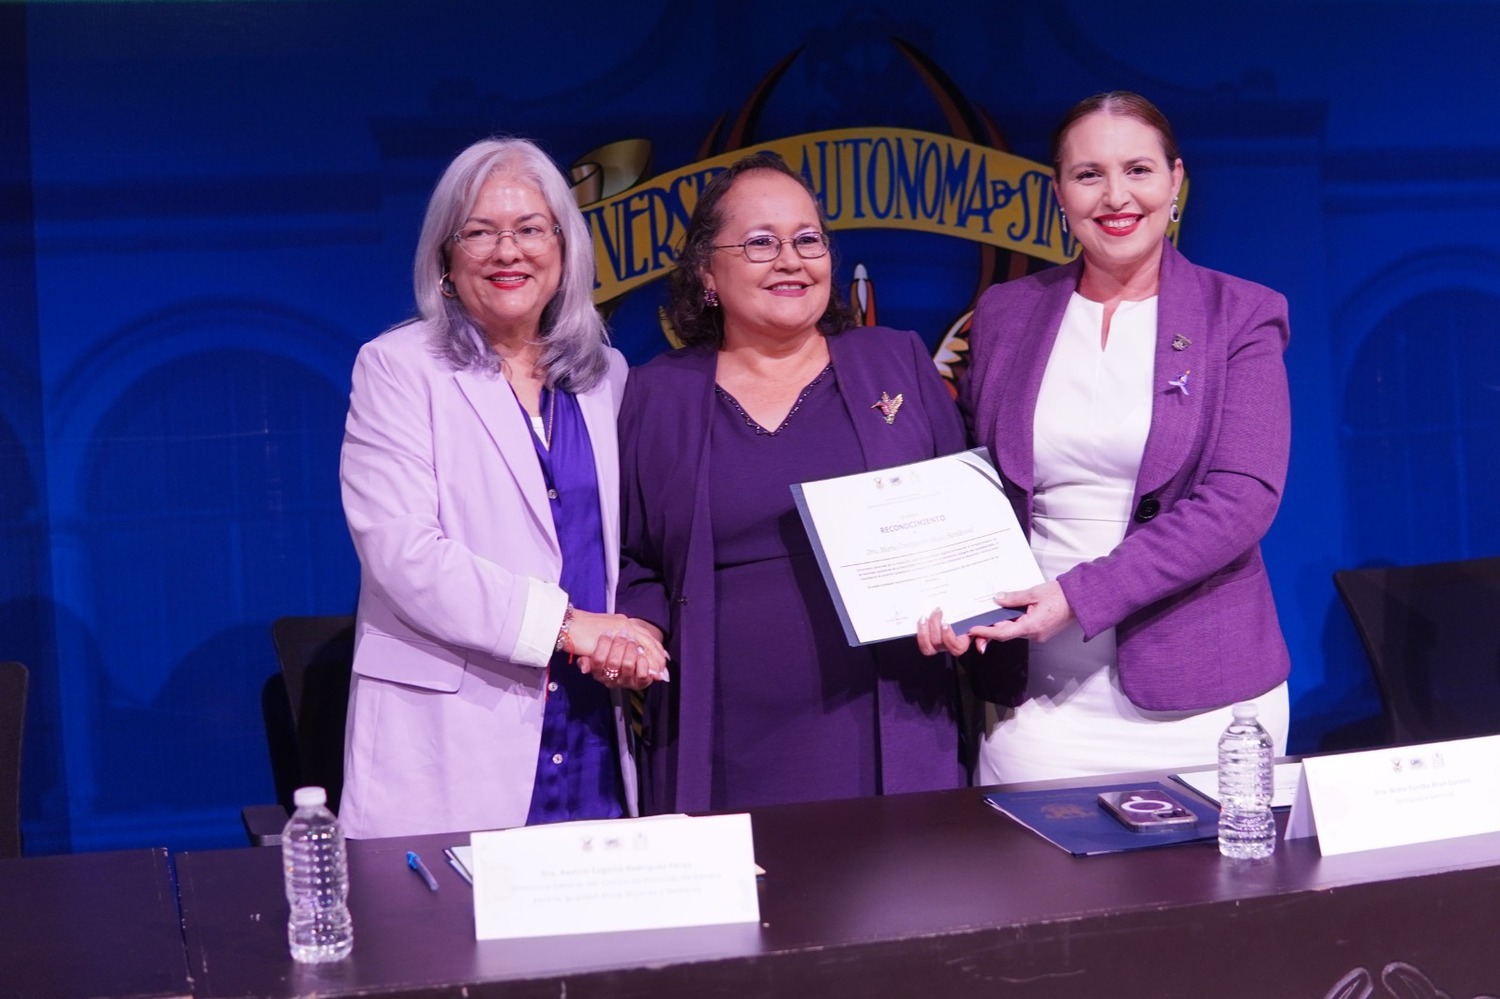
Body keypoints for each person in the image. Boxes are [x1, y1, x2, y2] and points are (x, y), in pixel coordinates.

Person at [917, 92, 1292, 784]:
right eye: (1088, 174)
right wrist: (940, 587)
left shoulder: (1241, 314)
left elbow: (1240, 501)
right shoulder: (1005, 312)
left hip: (1204, 706)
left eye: (1138, 170)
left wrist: (1076, 597)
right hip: (1036, 707)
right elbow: (974, 481)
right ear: (1058, 192)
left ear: (1175, 182)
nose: (1116, 196)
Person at [617, 152, 968, 814]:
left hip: (888, 726)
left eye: (808, 240)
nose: (791, 260)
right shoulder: (656, 394)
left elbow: (965, 525)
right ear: (706, 274)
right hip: (716, 739)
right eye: (760, 243)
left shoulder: (896, 361)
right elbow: (633, 559)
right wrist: (639, 628)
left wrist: (966, 606)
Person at [338, 137, 667, 839]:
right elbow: (403, 553)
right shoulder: (396, 369)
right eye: (480, 232)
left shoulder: (609, 376)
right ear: (447, 260)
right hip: (451, 745)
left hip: (589, 733)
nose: (506, 251)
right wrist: (567, 626)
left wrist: (637, 634)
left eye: (528, 229)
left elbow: (636, 539)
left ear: (564, 247)